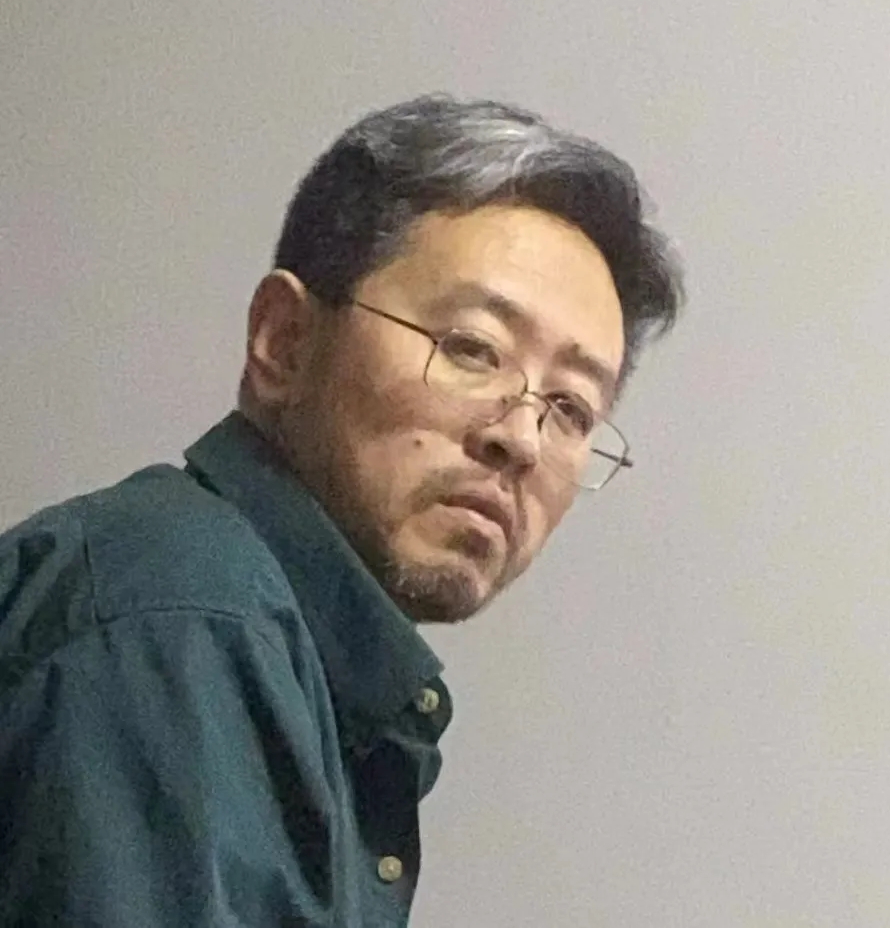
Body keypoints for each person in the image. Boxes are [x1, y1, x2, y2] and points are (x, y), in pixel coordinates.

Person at [0, 94, 683, 926]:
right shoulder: (175, 621)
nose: (521, 438)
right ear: (284, 341)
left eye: (571, 407)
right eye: (473, 348)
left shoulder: (291, 665)